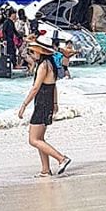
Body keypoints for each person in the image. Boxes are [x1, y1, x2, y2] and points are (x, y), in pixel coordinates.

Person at [17, 33, 72, 177]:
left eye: (33, 50)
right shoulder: (51, 64)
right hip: (47, 102)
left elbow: (35, 88)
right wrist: (55, 103)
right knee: (40, 139)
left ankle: (61, 158)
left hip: (41, 103)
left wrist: (24, 105)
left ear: (40, 51)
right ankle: (45, 170)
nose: (32, 53)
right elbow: (54, 86)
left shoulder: (43, 66)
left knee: (33, 140)